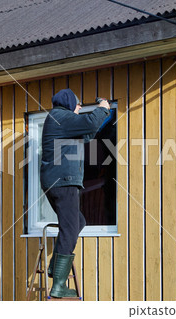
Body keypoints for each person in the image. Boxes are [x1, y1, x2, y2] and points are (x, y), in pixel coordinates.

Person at [40, 88, 110, 298]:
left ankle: (54, 267)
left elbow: (88, 133)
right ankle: (59, 285)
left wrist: (100, 117)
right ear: (69, 103)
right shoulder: (61, 116)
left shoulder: (60, 120)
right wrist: (104, 108)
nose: (79, 108)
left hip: (56, 182)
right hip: (64, 183)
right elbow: (89, 123)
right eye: (78, 104)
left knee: (77, 222)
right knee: (70, 229)